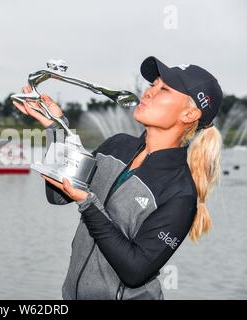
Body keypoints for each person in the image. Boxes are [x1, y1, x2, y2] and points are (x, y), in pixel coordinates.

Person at [12, 56, 223, 300]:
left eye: (163, 89)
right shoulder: (117, 145)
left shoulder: (180, 192)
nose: (148, 92)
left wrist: (88, 204)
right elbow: (58, 195)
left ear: (189, 114)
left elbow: (135, 271)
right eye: (153, 84)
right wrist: (56, 127)